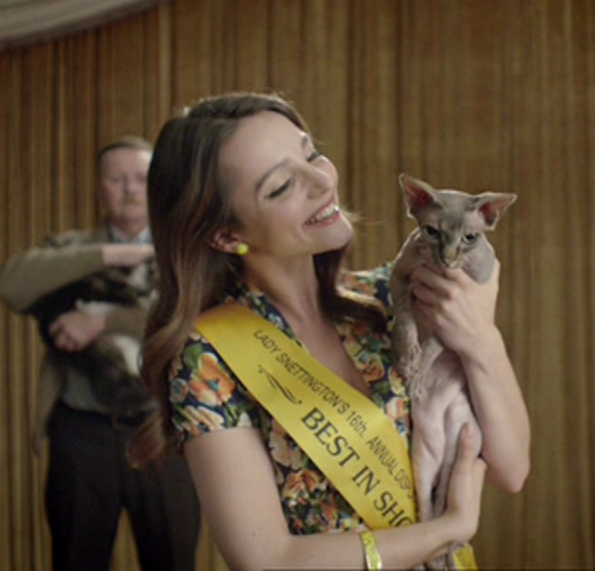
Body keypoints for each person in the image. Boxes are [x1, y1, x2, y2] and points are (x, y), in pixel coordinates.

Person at [127, 92, 531, 570]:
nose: (322, 181)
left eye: (312, 153)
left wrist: (482, 339)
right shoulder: (207, 355)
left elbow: (510, 469)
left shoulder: (393, 296)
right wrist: (448, 530)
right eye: (282, 185)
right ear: (227, 235)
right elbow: (267, 561)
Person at [0, 137, 200, 571]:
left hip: (163, 428)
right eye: (117, 179)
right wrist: (112, 253)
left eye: (141, 178)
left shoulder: (183, 251)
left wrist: (104, 320)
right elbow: (9, 284)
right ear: (98, 188)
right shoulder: (72, 250)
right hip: (81, 432)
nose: (130, 189)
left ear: (158, 185)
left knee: (173, 559)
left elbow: (195, 319)